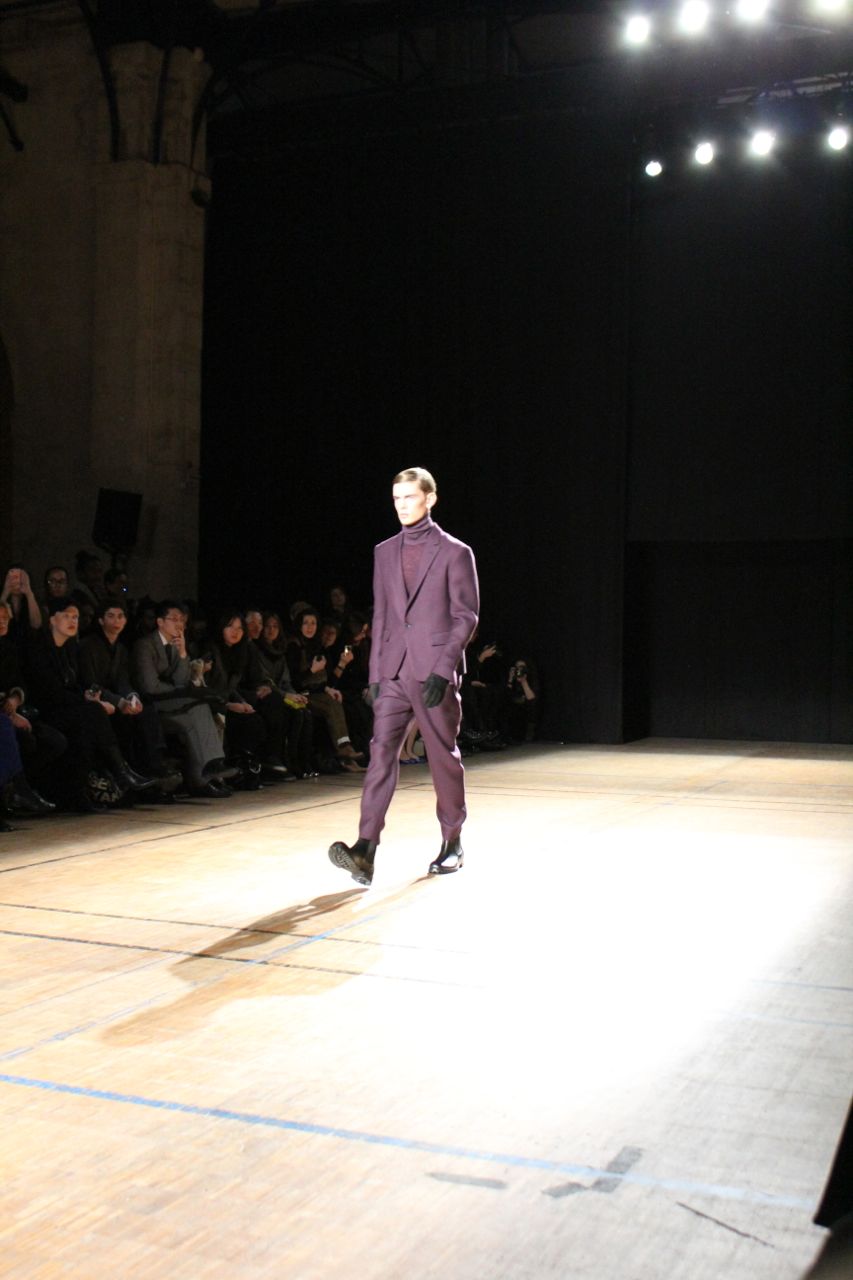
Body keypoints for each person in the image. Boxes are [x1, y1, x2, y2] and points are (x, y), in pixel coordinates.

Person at [328, 466, 479, 885]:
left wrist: (443, 668)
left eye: (409, 497)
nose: (402, 505)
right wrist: (376, 672)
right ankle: (365, 848)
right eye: (396, 498)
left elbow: (466, 616)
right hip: (393, 672)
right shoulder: (384, 551)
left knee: (442, 757)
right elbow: (382, 615)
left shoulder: (455, 552)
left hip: (433, 673)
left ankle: (452, 842)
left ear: (430, 499)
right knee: (380, 754)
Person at [132, 600, 233, 797]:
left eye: (182, 620)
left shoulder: (176, 643)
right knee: (200, 701)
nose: (179, 624)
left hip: (175, 703)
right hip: (152, 705)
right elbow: (150, 686)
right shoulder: (145, 645)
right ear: (160, 622)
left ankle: (204, 777)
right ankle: (210, 768)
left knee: (196, 715)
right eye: (174, 619)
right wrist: (179, 691)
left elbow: (182, 680)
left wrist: (183, 652)